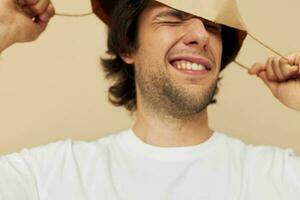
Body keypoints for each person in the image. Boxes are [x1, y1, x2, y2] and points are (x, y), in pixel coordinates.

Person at [0, 0, 299, 199]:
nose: (201, 34)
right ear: (128, 46)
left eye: (212, 26)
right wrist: (3, 28)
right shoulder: (49, 178)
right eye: (173, 18)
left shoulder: (280, 178)